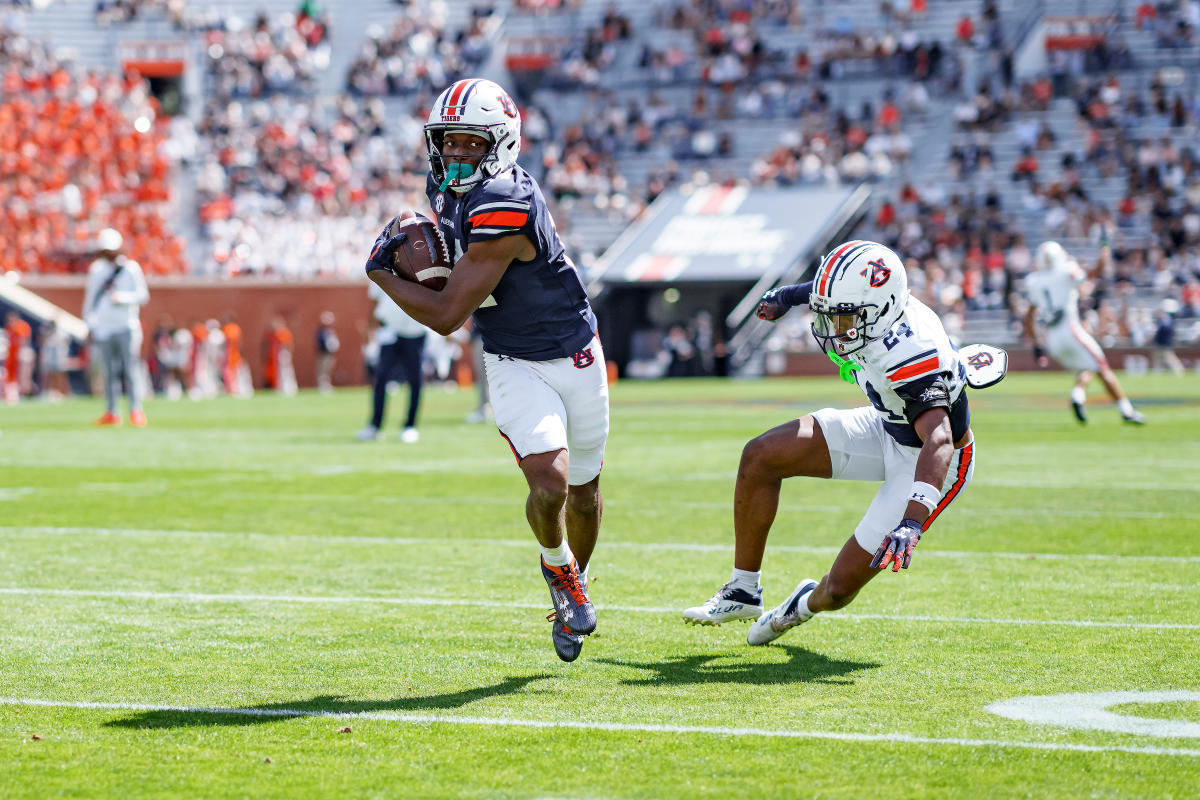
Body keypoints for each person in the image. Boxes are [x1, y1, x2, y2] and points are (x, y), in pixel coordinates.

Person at [364, 77, 610, 662]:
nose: (455, 154)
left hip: (576, 350)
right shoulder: (448, 185)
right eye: (448, 142)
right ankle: (562, 572)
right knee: (549, 483)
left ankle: (570, 582)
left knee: (585, 493)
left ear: (500, 143)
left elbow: (450, 314)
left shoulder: (508, 200)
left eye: (471, 143)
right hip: (512, 358)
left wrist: (382, 273)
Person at [683, 241, 976, 646]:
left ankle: (800, 606)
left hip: (930, 461)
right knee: (762, 455)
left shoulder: (912, 351)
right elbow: (823, 291)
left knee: (838, 590)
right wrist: (784, 296)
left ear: (882, 309)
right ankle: (743, 590)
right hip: (888, 425)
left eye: (844, 318)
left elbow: (940, 438)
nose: (833, 328)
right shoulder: (875, 308)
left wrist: (911, 520)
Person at [1023, 240, 1145, 424]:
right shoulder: (1065, 271)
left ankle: (1078, 395)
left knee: (1087, 367)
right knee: (1102, 367)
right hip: (1071, 332)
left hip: (1052, 340)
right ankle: (1126, 411)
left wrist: (1037, 345)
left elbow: (1029, 317)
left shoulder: (1034, 281)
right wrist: (1104, 252)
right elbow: (1095, 272)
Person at [82, 228, 149, 426]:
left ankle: (136, 410)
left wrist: (123, 298)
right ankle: (112, 411)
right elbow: (90, 299)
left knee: (130, 369)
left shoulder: (131, 269)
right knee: (109, 371)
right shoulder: (97, 270)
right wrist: (89, 325)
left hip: (126, 326)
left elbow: (143, 296)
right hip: (104, 328)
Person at [358, 282, 426, 443]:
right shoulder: (383, 262)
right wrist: (369, 330)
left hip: (415, 331)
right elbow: (374, 302)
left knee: (415, 379)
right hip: (389, 329)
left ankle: (410, 425)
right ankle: (375, 425)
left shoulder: (421, 264)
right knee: (381, 378)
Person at [315, 310, 340, 394]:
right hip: (323, 354)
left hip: (330, 354)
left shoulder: (330, 331)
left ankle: (326, 385)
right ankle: (322, 386)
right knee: (323, 371)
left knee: (328, 370)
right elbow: (319, 341)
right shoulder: (321, 330)